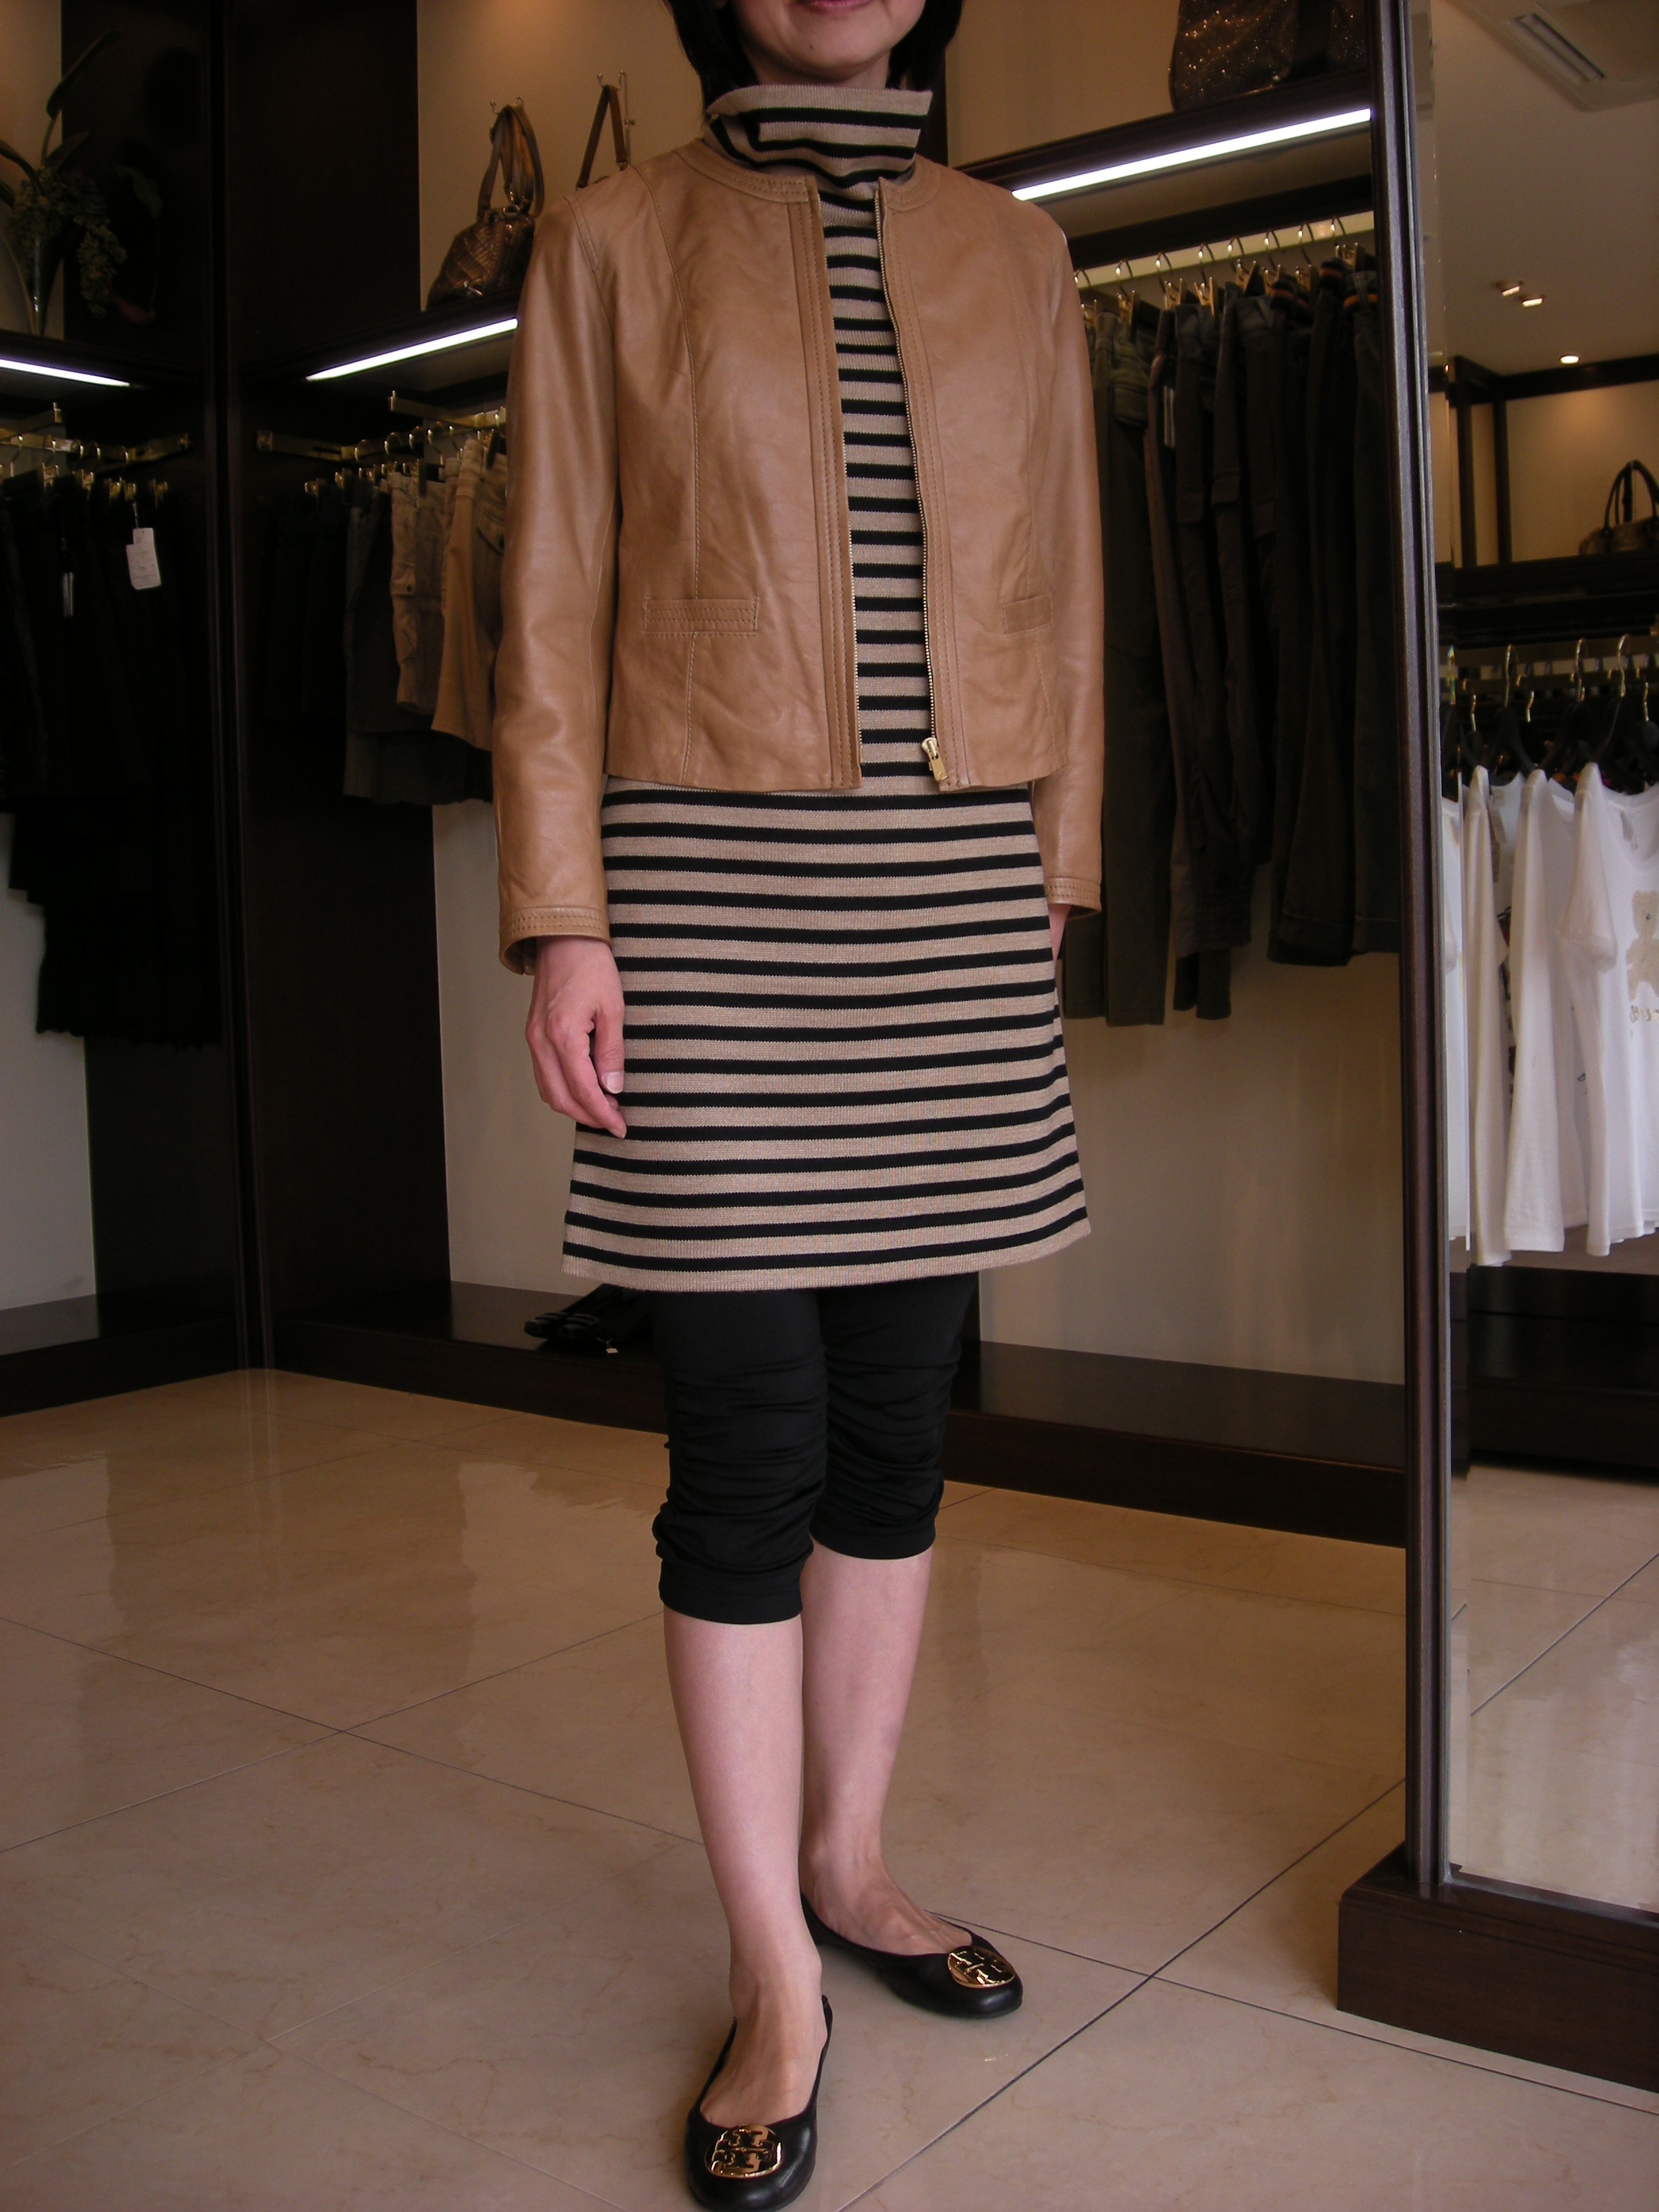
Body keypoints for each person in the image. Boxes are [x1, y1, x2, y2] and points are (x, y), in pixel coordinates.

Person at [493, 1, 1103, 2201]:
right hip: (704, 884)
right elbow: (548, 591)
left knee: (896, 1414)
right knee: (745, 1433)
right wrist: (566, 915)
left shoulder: (1016, 252)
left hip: (952, 879)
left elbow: (1070, 590)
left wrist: (1055, 876)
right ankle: (776, 1970)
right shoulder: (607, 242)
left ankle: (852, 1859)